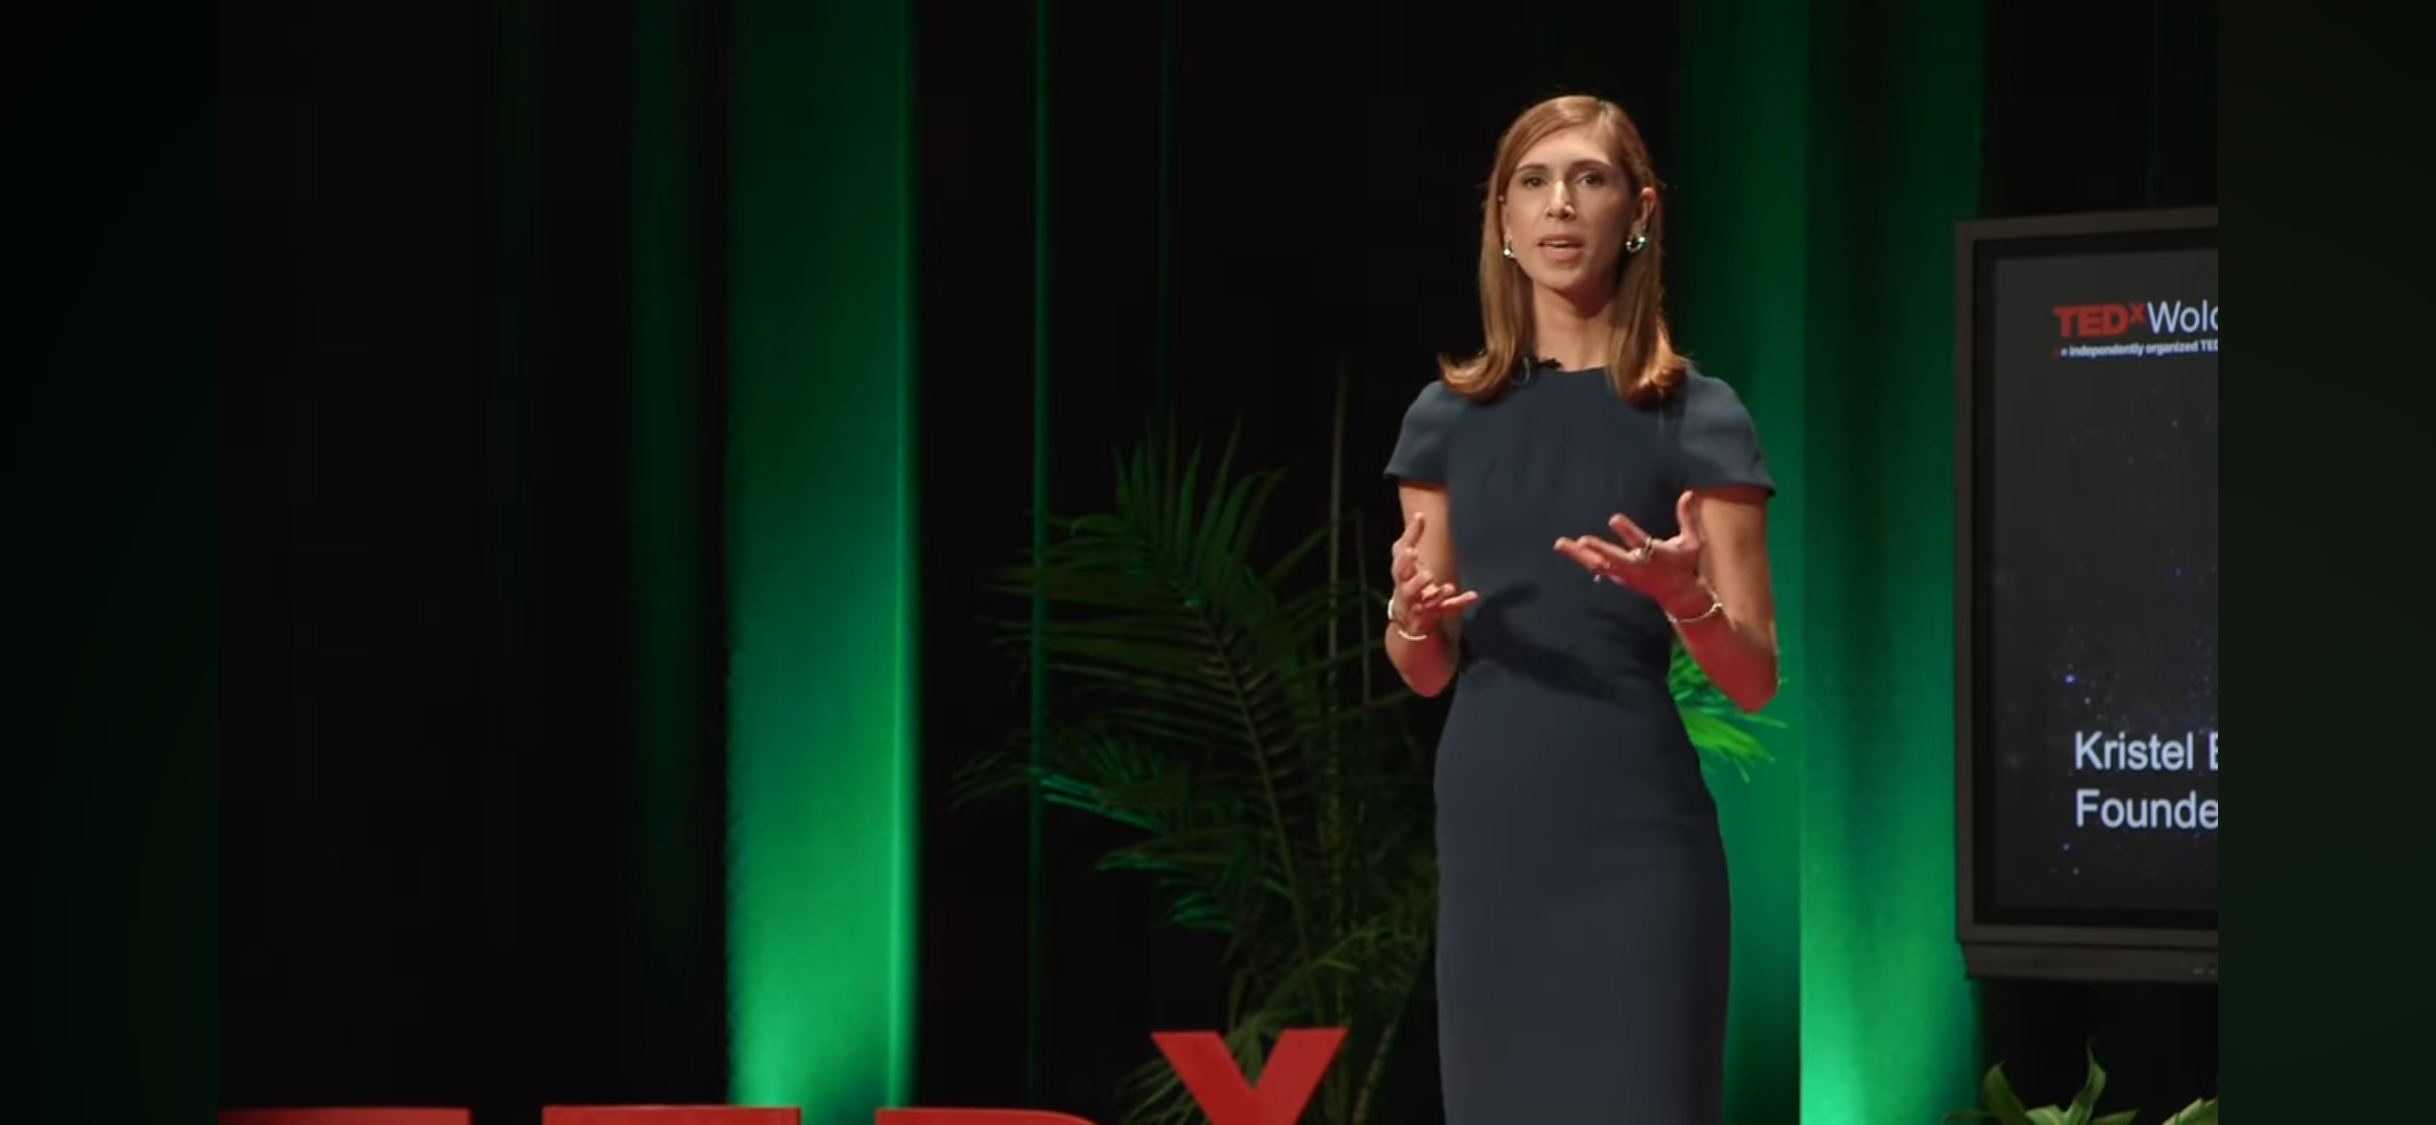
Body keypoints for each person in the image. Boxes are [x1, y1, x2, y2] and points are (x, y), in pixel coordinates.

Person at [1381, 94, 1781, 1123]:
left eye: (1590, 180)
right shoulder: (1442, 421)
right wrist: (1413, 622)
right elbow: (1426, 668)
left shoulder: (1700, 414)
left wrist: (1686, 597)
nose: (1561, 205)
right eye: (1533, 182)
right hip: (1494, 828)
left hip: (1637, 840)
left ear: (1637, 212)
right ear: (1502, 224)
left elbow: (1753, 673)